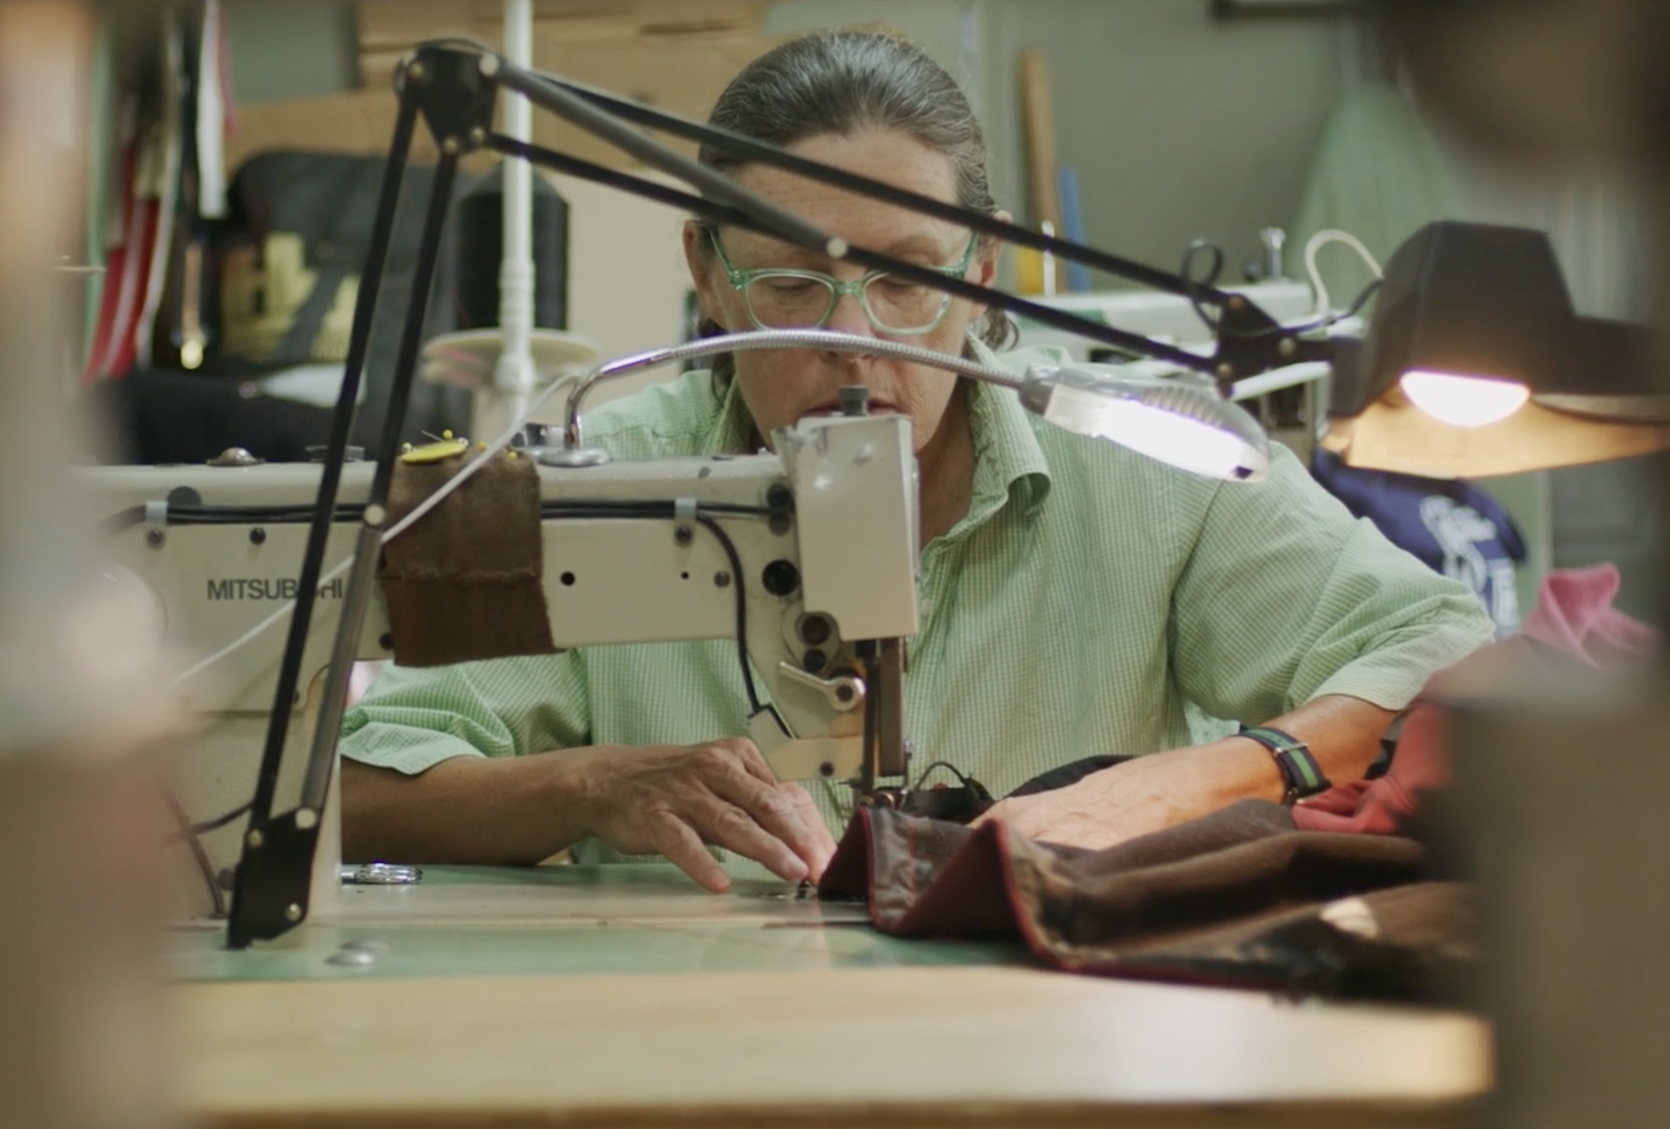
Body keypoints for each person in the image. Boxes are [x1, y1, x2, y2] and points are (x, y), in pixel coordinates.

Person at [336, 30, 1493, 892]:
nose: (856, 343)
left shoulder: (1153, 466)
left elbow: (1442, 651)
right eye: (792, 283)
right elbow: (349, 786)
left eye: (909, 280)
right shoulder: (599, 478)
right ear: (706, 266)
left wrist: (1207, 775)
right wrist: (601, 785)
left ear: (982, 268)